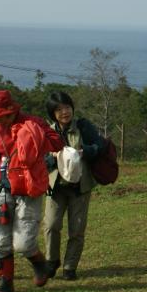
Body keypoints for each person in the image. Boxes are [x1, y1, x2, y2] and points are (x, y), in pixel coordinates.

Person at [0, 90, 64, 292]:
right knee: (1, 241)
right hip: (3, 190)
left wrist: (37, 137)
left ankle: (40, 263)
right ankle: (7, 283)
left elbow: (57, 143)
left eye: (3, 116)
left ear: (12, 111)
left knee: (23, 243)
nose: (0, 120)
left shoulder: (33, 123)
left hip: (29, 189)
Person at [43, 91, 106, 281]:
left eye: (67, 107)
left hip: (80, 187)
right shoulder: (47, 132)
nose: (64, 112)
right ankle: (51, 261)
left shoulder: (83, 127)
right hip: (55, 187)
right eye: (59, 109)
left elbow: (100, 146)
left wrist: (84, 152)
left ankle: (70, 267)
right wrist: (52, 159)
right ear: (52, 113)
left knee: (77, 230)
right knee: (51, 225)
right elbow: (39, 158)